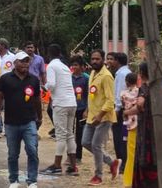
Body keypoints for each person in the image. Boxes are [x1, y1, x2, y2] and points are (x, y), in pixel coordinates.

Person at [0, 51, 41, 188]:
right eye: (22, 61)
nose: (25, 64)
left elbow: (37, 99)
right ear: (15, 63)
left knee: (32, 150)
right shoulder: (5, 79)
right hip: (11, 123)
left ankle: (32, 180)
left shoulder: (34, 79)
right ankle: (14, 180)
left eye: (27, 61)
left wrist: (40, 116)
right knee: (13, 154)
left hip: (29, 121)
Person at [82, 49, 121, 186]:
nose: (94, 61)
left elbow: (111, 101)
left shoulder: (107, 76)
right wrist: (88, 109)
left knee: (96, 145)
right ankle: (112, 162)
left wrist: (100, 115)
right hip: (92, 116)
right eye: (92, 59)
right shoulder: (92, 73)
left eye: (97, 59)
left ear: (103, 60)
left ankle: (98, 176)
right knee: (85, 142)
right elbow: (91, 94)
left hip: (104, 117)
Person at [42, 44, 78, 175]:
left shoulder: (52, 66)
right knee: (69, 134)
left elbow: (51, 84)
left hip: (61, 103)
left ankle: (57, 165)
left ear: (49, 54)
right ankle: (73, 167)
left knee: (61, 135)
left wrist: (44, 87)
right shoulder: (64, 66)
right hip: (71, 102)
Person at [130, 62, 158, 187]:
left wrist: (126, 112)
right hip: (157, 127)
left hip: (145, 128)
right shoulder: (158, 88)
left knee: (144, 156)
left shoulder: (144, 88)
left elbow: (140, 104)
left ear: (141, 73)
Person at [110, 52, 131, 172]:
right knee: (123, 136)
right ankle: (122, 161)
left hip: (121, 108)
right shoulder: (125, 72)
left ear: (117, 61)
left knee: (119, 136)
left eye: (112, 60)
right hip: (125, 108)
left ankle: (122, 162)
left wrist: (117, 109)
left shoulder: (121, 74)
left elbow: (120, 93)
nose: (110, 62)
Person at [120, 73, 139, 188]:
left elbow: (123, 105)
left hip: (129, 124)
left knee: (130, 154)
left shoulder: (124, 94)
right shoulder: (140, 92)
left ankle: (128, 180)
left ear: (127, 82)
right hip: (140, 123)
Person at [70, 55, 90, 165]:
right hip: (71, 107)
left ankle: (78, 156)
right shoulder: (69, 77)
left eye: (76, 65)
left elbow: (88, 95)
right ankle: (70, 155)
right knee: (70, 132)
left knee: (79, 133)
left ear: (82, 66)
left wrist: (87, 109)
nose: (74, 67)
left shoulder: (86, 78)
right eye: (72, 65)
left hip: (81, 108)